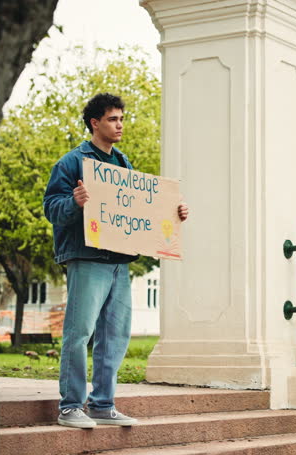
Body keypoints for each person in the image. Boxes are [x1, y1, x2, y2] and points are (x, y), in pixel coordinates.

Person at [43, 93, 189, 428]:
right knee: (79, 333)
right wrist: (74, 202)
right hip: (86, 257)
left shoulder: (124, 164)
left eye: (122, 119)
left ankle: (102, 404)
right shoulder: (72, 163)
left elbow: (142, 209)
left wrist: (175, 212)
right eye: (112, 119)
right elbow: (52, 208)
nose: (120, 125)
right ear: (95, 123)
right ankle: (70, 406)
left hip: (118, 261)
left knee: (115, 335)